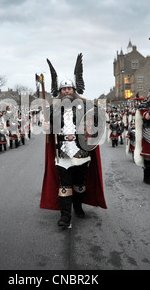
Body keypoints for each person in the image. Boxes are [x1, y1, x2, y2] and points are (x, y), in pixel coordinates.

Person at [41, 53, 107, 228]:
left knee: (79, 184)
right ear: (60, 92)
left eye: (69, 88)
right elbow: (48, 129)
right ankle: (65, 217)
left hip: (81, 151)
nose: (67, 91)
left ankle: (77, 207)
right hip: (62, 152)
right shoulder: (54, 108)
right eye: (64, 89)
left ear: (74, 90)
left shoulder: (85, 105)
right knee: (65, 184)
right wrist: (46, 127)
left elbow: (97, 121)